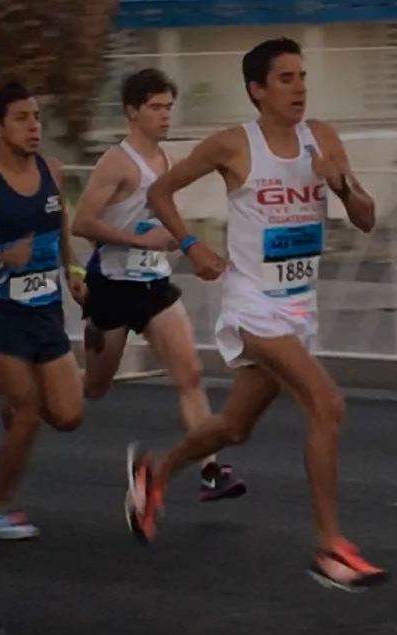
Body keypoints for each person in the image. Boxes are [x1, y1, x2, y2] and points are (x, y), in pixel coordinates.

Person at [124, 38, 388, 591]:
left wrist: (337, 182)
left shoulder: (325, 138)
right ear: (257, 91)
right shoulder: (231, 144)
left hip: (299, 306)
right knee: (327, 403)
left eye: (302, 77)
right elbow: (162, 194)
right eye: (286, 79)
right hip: (252, 303)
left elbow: (365, 218)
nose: (299, 88)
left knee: (235, 427)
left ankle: (156, 473)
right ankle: (329, 548)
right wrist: (193, 247)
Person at [71, 68, 245, 501]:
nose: (165, 116)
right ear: (132, 112)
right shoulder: (117, 161)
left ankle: (211, 471)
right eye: (155, 108)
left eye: (169, 107)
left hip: (154, 284)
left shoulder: (165, 161)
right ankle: (33, 396)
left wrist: (178, 242)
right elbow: (82, 222)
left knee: (190, 375)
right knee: (93, 388)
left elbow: (157, 218)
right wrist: (139, 238)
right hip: (112, 287)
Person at [0, 81, 87, 539]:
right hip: (1, 312)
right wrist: (1, 257)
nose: (34, 126)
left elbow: (62, 225)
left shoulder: (51, 168)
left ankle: (14, 408)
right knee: (29, 409)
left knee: (68, 415)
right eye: (21, 118)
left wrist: (73, 270)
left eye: (36, 117)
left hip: (45, 309)